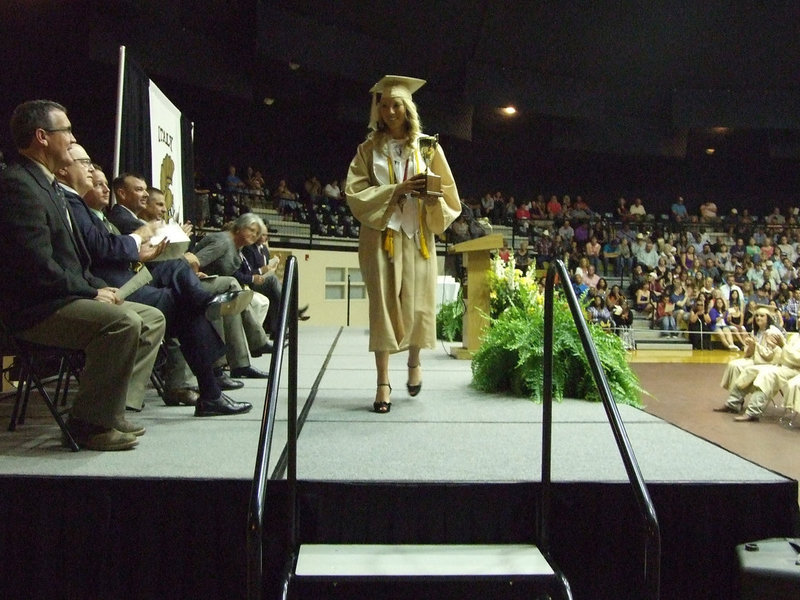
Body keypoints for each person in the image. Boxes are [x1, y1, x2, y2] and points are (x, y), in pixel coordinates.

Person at [0, 100, 166, 450]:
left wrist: (99, 287)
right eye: (68, 131)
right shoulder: (18, 185)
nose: (73, 139)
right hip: (36, 310)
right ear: (43, 137)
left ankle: (110, 412)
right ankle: (87, 426)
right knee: (122, 323)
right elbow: (37, 267)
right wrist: (91, 294)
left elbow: (72, 263)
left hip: (62, 296)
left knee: (149, 317)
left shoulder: (44, 185)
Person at [58, 146, 252, 417]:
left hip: (125, 273)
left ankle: (211, 384)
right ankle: (212, 384)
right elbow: (100, 248)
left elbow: (106, 246)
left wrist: (138, 245)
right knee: (185, 303)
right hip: (112, 282)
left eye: (100, 176)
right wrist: (140, 236)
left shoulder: (87, 210)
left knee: (176, 271)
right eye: (86, 165)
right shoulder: (77, 205)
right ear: (63, 170)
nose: (92, 174)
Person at [345, 75, 461, 413]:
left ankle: (414, 361)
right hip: (382, 236)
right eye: (384, 105)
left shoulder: (427, 147)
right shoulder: (367, 150)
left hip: (418, 235)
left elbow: (450, 193)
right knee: (382, 306)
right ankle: (383, 382)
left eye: (396, 104)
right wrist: (395, 191)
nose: (390, 111)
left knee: (418, 303)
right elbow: (355, 192)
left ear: (407, 108)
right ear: (378, 110)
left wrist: (429, 194)